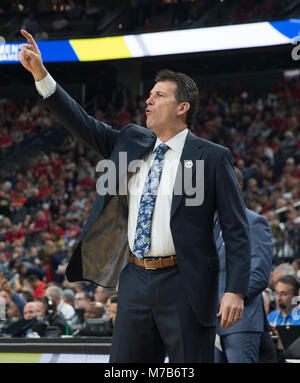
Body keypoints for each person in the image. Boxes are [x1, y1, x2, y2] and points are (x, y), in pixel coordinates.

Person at [18, 29, 251, 363]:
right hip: (136, 279)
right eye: (149, 95)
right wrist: (42, 76)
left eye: (158, 95)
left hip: (185, 283)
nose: (148, 101)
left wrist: (235, 290)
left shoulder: (212, 157)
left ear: (182, 107)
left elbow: (236, 229)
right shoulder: (130, 141)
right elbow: (82, 124)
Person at [214, 167, 275, 363]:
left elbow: (259, 274)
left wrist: (231, 296)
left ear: (237, 186)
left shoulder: (255, 222)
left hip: (240, 320)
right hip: (209, 323)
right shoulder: (211, 224)